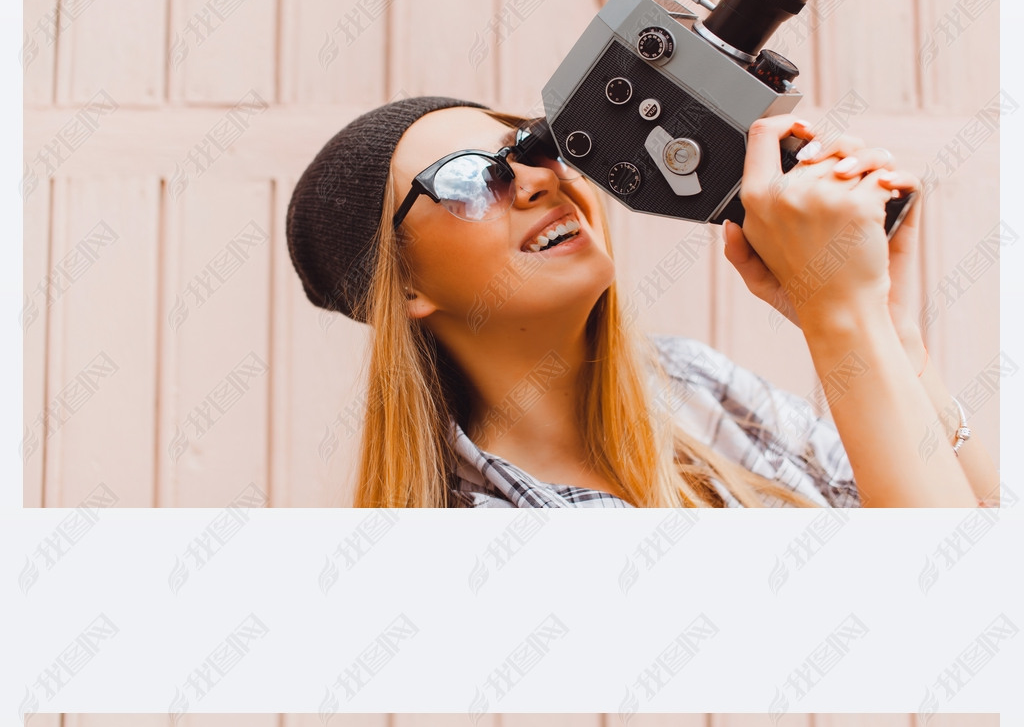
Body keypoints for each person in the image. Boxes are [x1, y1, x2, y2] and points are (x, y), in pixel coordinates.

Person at [285, 98, 997, 508]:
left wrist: (894, 339)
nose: (535, 181)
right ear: (406, 287)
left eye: (531, 147)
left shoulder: (689, 387)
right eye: (472, 181)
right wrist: (842, 322)